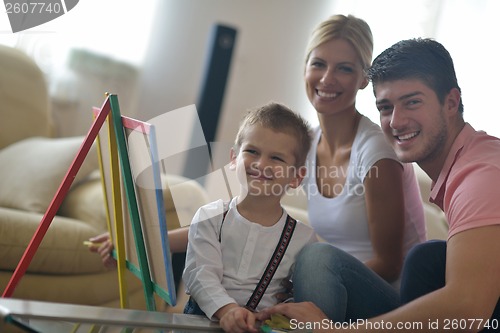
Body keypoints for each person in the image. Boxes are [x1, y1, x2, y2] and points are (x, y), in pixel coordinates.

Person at [257, 38, 500, 332]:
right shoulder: (470, 164)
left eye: (412, 102)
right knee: (429, 259)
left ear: (451, 102)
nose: (396, 121)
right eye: (385, 107)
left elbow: (468, 309)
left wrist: (337, 332)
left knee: (322, 259)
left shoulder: (481, 176)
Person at [287, 14, 425, 321]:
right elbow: (252, 208)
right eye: (319, 64)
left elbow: (391, 264)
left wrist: (313, 276)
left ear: (364, 78)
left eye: (344, 69)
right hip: (337, 295)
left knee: (314, 257)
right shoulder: (306, 143)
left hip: (397, 304)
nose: (326, 79)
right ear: (305, 67)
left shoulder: (376, 150)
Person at [183, 102, 317, 333]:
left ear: (296, 177)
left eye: (276, 158)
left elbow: (298, 296)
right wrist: (227, 311)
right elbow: (200, 275)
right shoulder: (209, 216)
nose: (261, 164)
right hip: (200, 326)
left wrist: (286, 306)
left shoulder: (304, 238)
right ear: (234, 159)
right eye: (252, 151)